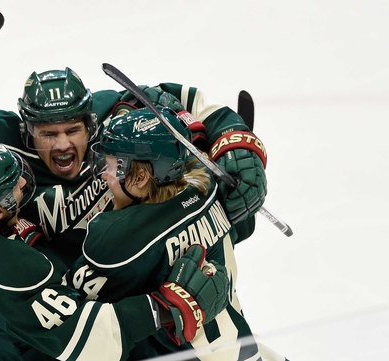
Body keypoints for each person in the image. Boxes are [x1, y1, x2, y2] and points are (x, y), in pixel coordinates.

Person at [0, 66, 268, 285]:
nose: (62, 145)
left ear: (90, 122)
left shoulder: (115, 115)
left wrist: (236, 146)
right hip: (57, 287)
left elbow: (196, 104)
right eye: (48, 133)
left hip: (139, 267)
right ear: (27, 129)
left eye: (72, 131)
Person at [0, 140, 230, 360]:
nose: (23, 185)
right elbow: (92, 343)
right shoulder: (16, 273)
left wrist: (28, 244)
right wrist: (164, 306)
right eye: (13, 186)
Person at [66, 106, 284, 360]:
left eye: (112, 167)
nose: (104, 175)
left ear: (140, 179)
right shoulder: (210, 189)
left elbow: (67, 318)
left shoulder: (117, 238)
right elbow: (244, 227)